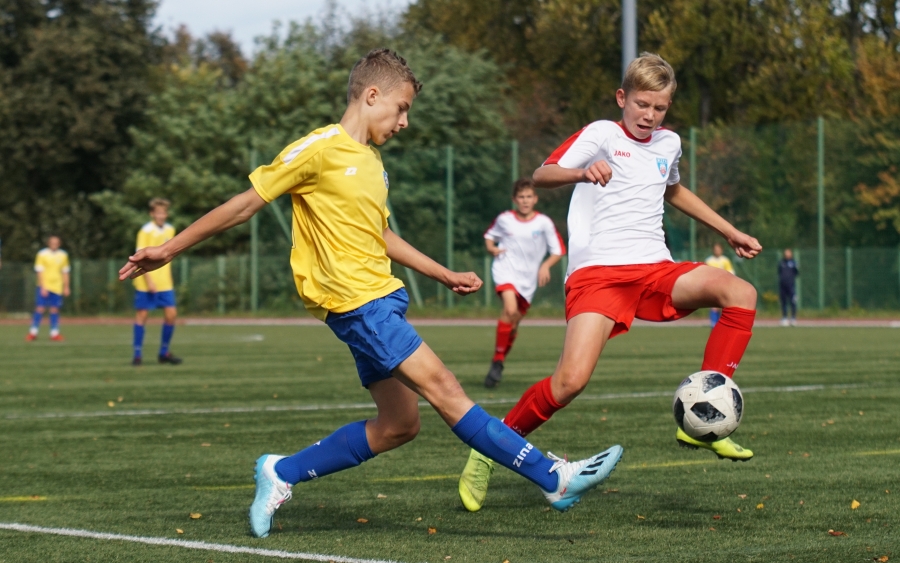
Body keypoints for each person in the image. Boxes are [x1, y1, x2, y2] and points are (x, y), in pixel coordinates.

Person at [119, 48, 623, 538]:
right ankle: (552, 478)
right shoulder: (318, 148)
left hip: (382, 298)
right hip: (356, 304)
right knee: (446, 390)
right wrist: (170, 247)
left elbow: (380, 235)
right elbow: (245, 204)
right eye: (401, 108)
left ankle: (283, 472)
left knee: (400, 425)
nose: (404, 122)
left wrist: (442, 273)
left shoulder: (372, 163)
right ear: (372, 95)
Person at [458, 52, 762, 513]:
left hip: (654, 269)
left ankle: (702, 413)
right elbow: (542, 174)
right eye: (642, 104)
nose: (649, 115)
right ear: (623, 98)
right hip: (598, 275)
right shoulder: (601, 134)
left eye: (659, 108)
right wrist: (582, 171)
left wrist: (729, 230)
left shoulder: (669, 144)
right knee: (569, 382)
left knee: (739, 293)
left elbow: (673, 189)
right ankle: (491, 448)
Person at [483, 178, 565, 387]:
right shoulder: (505, 219)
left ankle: (498, 360)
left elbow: (558, 250)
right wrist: (492, 248)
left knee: (513, 324)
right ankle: (498, 363)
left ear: (535, 199)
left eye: (529, 196)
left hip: (528, 280)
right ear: (514, 200)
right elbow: (489, 237)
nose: (525, 200)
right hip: (505, 270)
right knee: (509, 310)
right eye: (521, 197)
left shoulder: (544, 223)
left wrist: (545, 266)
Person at [132, 198, 181, 366]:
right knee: (142, 316)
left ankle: (164, 352)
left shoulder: (170, 230)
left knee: (171, 315)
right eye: (158, 212)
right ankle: (137, 355)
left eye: (164, 212)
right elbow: (140, 257)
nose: (161, 215)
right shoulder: (145, 231)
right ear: (152, 214)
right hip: (146, 282)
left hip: (165, 282)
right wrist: (149, 280)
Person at [26, 235, 70, 341]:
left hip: (57, 287)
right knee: (40, 308)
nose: (54, 245)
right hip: (44, 286)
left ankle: (54, 333)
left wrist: (66, 287)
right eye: (52, 242)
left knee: (55, 309)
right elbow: (39, 271)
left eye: (56, 243)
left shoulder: (63, 255)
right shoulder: (42, 254)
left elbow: (65, 272)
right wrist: (43, 286)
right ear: (49, 243)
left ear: (59, 244)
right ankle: (33, 332)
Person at [704, 242, 735, 327]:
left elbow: (731, 273)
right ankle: (714, 325)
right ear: (713, 250)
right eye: (715, 249)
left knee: (724, 306)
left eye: (718, 249)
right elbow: (705, 273)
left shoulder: (725, 260)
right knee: (714, 306)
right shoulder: (709, 260)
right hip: (713, 286)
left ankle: (723, 324)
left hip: (724, 286)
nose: (717, 251)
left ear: (721, 250)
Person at [778, 248, 799, 326]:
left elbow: (797, 273)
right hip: (782, 286)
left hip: (791, 286)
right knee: (783, 302)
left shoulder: (794, 263)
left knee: (793, 301)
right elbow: (779, 272)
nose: (787, 254)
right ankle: (784, 318)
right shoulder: (781, 263)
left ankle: (793, 318)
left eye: (788, 253)